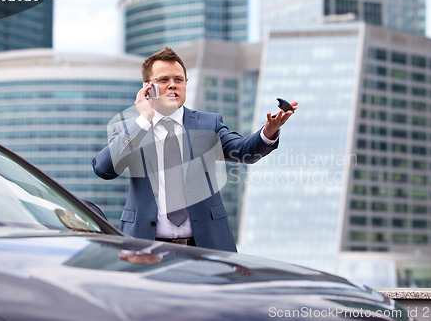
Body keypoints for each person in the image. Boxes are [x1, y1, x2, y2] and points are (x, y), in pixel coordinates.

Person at [93, 47, 297, 252]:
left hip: (206, 247)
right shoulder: (130, 129)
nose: (173, 85)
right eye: (164, 80)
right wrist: (143, 122)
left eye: (179, 80)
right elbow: (104, 169)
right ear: (147, 87)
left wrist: (269, 131)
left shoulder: (209, 124)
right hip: (145, 249)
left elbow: (244, 151)